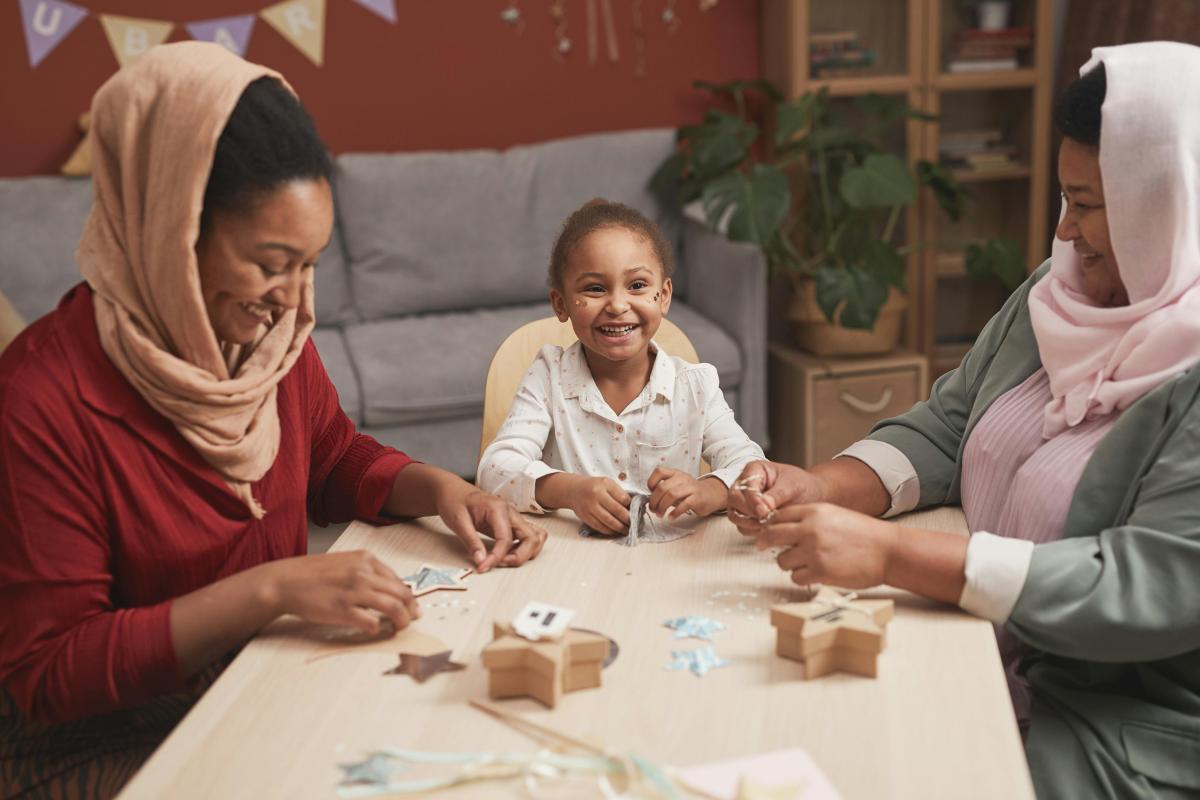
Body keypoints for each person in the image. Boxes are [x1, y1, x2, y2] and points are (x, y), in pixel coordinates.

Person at [0, 42, 546, 796]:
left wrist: (442, 491)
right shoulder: (40, 399)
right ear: (170, 227)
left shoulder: (266, 341)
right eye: (269, 262)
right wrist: (273, 590)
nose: (292, 299)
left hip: (262, 677)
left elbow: (328, 458)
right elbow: (52, 673)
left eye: (309, 263)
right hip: (111, 740)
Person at [729, 41, 1200, 797]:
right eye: (1064, 200)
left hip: (1109, 730)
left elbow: (1136, 588)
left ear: (1167, 200)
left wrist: (890, 556)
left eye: (1087, 206)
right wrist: (817, 487)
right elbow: (951, 425)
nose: (1067, 233)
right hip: (966, 647)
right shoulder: (1061, 291)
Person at [478, 199, 764, 535]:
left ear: (664, 295)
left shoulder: (695, 386)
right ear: (562, 304)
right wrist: (570, 491)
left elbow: (753, 468)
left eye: (638, 285)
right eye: (595, 289)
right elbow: (495, 471)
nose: (617, 305)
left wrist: (708, 490)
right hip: (570, 563)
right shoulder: (548, 376)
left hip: (672, 561)